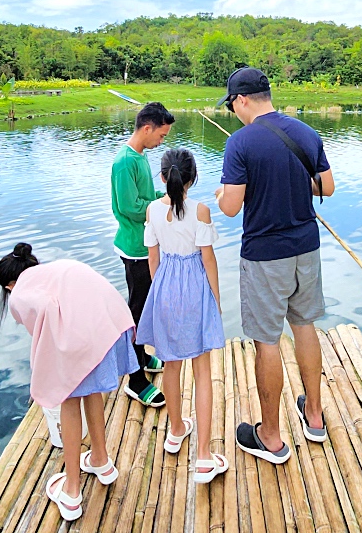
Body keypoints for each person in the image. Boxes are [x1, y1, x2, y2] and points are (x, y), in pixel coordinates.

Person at [213, 67, 336, 464]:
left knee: (267, 341)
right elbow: (326, 187)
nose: (233, 113)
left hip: (265, 257)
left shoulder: (240, 143)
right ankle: (313, 416)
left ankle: (270, 437)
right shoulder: (305, 132)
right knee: (305, 327)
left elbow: (231, 208)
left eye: (232, 106)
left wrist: (221, 194)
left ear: (242, 100)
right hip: (307, 250)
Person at [0, 243, 136, 521]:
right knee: (91, 390)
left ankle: (72, 492)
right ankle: (101, 461)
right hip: (112, 323)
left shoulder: (20, 294)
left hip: (84, 334)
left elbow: (45, 324)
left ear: (9, 285)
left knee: (69, 401)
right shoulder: (51, 271)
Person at [135, 148, 229, 484]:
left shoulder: (151, 210)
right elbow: (208, 260)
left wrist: (158, 295)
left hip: (165, 288)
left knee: (171, 365)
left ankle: (175, 430)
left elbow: (152, 259)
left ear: (162, 177)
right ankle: (203, 456)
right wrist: (215, 302)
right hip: (194, 289)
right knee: (202, 371)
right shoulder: (201, 210)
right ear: (193, 178)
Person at [110, 101, 176, 407]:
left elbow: (145, 198)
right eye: (161, 136)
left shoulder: (141, 156)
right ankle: (135, 380)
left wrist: (165, 199)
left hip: (146, 243)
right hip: (135, 248)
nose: (162, 141)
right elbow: (129, 207)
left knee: (146, 304)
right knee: (137, 309)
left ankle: (143, 355)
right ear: (147, 128)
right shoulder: (124, 162)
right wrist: (159, 207)